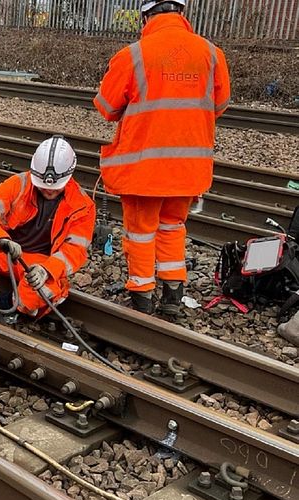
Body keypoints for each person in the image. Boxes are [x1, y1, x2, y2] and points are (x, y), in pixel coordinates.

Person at [94, 0, 230, 315]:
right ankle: (173, 295)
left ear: (146, 16)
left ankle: (142, 298)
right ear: (182, 13)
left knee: (140, 232)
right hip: (188, 168)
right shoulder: (211, 53)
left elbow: (107, 107)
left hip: (143, 170)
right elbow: (219, 105)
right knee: (172, 226)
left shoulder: (134, 55)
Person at [0, 136, 95, 316]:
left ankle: (8, 304)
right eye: (43, 186)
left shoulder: (83, 206)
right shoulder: (19, 184)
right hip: (5, 253)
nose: (49, 190)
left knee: (49, 290)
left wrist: (47, 270)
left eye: (55, 187)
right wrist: (1, 239)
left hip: (37, 264)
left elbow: (75, 250)